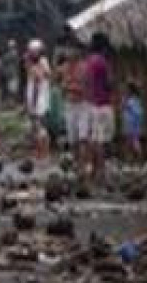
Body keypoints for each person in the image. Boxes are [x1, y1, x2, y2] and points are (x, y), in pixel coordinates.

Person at [85, 32, 115, 185]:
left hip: (91, 103)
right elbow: (109, 83)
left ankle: (94, 170)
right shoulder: (102, 62)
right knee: (101, 140)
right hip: (102, 104)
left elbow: (87, 82)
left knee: (94, 138)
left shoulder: (89, 61)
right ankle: (101, 172)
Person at [58, 41, 90, 175]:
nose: (69, 54)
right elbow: (61, 86)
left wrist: (70, 87)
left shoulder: (84, 68)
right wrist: (69, 87)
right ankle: (77, 165)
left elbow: (85, 88)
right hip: (70, 105)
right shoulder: (64, 68)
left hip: (82, 105)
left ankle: (83, 165)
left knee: (83, 138)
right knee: (73, 139)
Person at [25, 38, 52, 161]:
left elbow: (36, 85)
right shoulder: (44, 64)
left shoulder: (37, 65)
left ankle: (42, 153)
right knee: (40, 128)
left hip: (38, 102)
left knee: (39, 128)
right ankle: (42, 153)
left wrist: (32, 104)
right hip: (41, 100)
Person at [122, 80, 144, 164]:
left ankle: (134, 160)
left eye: (126, 89)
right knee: (133, 142)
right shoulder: (136, 99)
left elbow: (126, 107)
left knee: (132, 142)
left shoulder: (132, 100)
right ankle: (132, 160)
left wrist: (125, 102)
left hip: (131, 123)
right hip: (133, 123)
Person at [1, 39, 21, 108]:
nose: (12, 48)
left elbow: (16, 63)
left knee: (13, 90)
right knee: (10, 90)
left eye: (12, 46)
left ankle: (13, 103)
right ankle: (11, 103)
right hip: (9, 74)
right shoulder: (10, 54)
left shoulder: (14, 54)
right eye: (11, 47)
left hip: (14, 74)